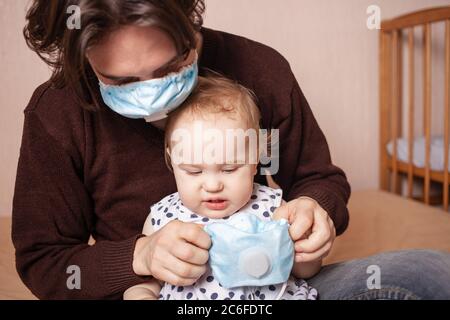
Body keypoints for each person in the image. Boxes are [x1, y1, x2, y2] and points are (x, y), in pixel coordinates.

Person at [12, 0, 450, 300]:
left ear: (190, 23)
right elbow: (45, 260)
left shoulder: (260, 69)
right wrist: (140, 256)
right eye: (121, 81)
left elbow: (321, 179)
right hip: (161, 292)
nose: (150, 95)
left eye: (171, 66)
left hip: (269, 289)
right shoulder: (59, 113)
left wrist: (316, 213)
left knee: (430, 273)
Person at [123, 75, 318, 300]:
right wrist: (140, 295)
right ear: (172, 161)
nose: (213, 185)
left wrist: (306, 247)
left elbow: (307, 270)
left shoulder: (273, 208)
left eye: (229, 169)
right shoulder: (163, 218)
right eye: (194, 171)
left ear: (255, 160)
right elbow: (145, 283)